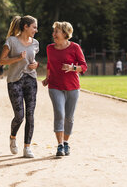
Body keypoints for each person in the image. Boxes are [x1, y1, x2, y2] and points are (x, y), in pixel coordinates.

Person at [42, 21, 87, 157]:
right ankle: (60, 145)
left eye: (57, 31)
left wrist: (72, 68)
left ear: (65, 34)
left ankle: (66, 142)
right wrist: (47, 78)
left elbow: (84, 67)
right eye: (54, 31)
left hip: (73, 87)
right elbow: (50, 65)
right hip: (55, 86)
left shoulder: (75, 47)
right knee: (59, 114)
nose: (54, 34)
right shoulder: (50, 48)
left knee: (69, 117)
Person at [0, 15, 39, 158]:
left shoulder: (35, 43)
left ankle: (27, 147)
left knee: (30, 115)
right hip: (15, 81)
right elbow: (2, 61)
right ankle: (13, 137)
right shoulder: (11, 41)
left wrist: (36, 65)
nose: (36, 30)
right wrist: (18, 58)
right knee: (19, 116)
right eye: (34, 27)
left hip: (31, 80)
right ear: (25, 27)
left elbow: (33, 60)